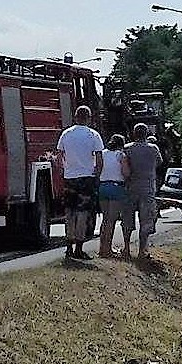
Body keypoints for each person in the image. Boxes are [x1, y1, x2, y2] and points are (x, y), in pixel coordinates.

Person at [57, 105, 105, 260]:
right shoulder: (93, 135)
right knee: (83, 213)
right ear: (88, 118)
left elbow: (59, 156)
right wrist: (97, 176)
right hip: (86, 177)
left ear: (76, 117)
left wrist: (63, 171)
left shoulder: (66, 134)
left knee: (69, 213)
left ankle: (69, 247)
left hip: (70, 178)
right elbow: (99, 158)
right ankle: (79, 247)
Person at [124, 122, 165, 259]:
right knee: (146, 220)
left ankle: (126, 248)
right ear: (147, 134)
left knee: (128, 219)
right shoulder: (153, 149)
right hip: (147, 188)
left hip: (130, 187)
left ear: (134, 133)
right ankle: (142, 250)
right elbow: (159, 162)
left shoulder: (127, 149)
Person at [96, 134, 131, 257]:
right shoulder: (121, 155)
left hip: (103, 186)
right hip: (116, 187)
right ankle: (108, 249)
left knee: (105, 219)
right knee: (112, 220)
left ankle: (101, 248)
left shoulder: (103, 153)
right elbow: (125, 173)